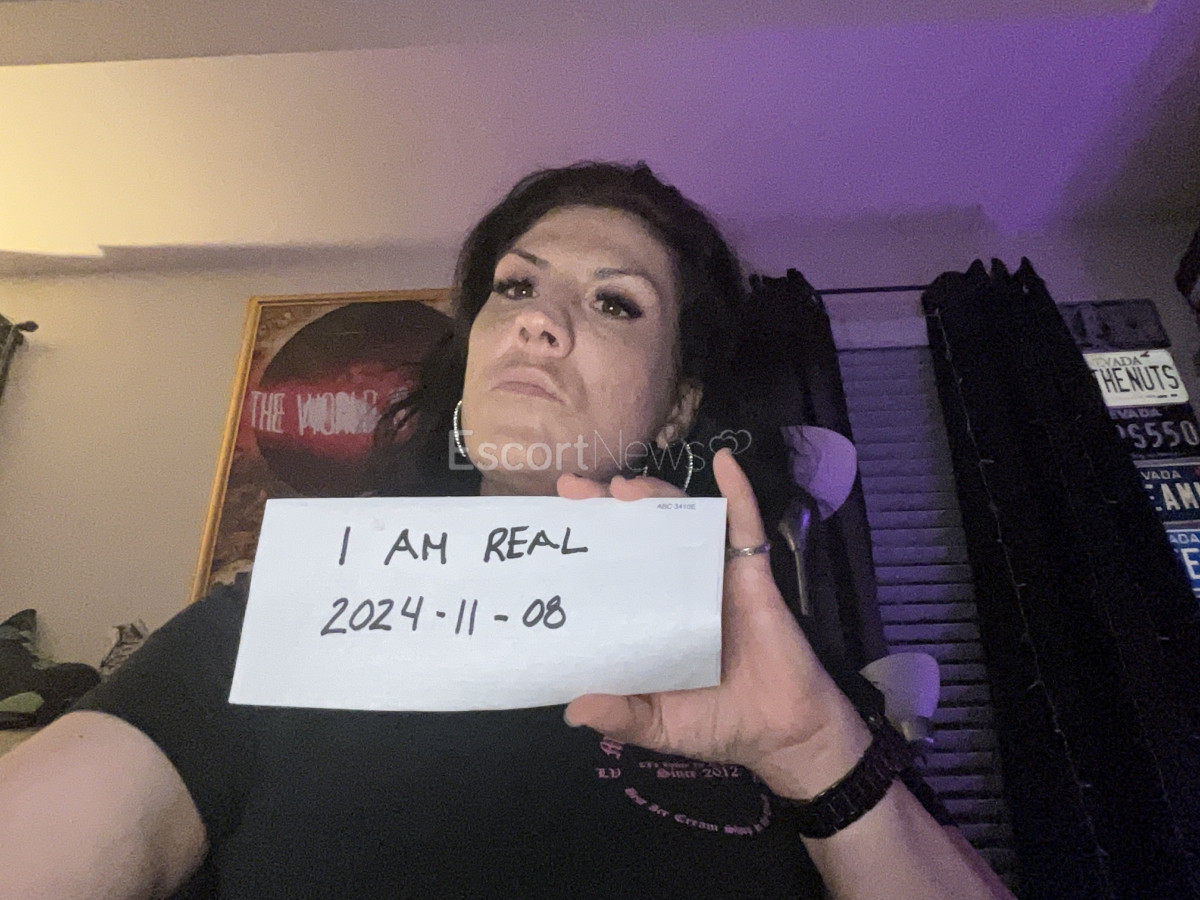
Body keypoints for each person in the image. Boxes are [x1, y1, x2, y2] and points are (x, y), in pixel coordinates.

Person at [0, 162, 1014, 899]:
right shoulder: (270, 625)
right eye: (516, 287)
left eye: (615, 304)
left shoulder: (766, 659)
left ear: (676, 409)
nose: (538, 321)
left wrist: (817, 751)